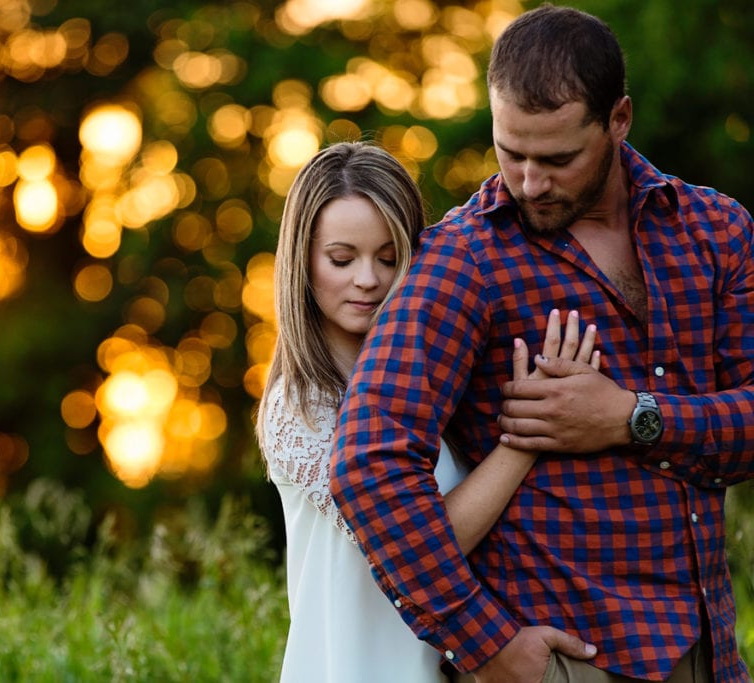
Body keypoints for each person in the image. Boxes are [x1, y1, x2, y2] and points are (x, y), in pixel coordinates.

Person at [331, 5, 754, 683]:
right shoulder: (463, 260)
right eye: (510, 150)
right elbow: (368, 466)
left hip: (709, 650)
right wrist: (483, 641)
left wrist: (631, 416)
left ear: (619, 120)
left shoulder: (716, 231)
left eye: (556, 157)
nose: (528, 181)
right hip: (564, 659)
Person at [257, 141, 600, 682]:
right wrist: (529, 434)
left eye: (390, 258)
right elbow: (413, 543)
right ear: (301, 261)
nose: (368, 279)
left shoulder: (430, 390)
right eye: (342, 259)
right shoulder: (300, 405)